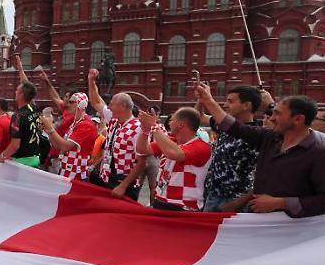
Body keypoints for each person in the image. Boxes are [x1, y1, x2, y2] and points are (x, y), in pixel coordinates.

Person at [197, 84, 325, 218]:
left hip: (295, 232)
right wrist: (206, 99)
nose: (271, 118)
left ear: (298, 119)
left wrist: (281, 203)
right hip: (258, 222)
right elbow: (234, 127)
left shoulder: (318, 152)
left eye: (278, 114)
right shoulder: (269, 138)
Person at [197, 86, 262, 212]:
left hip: (238, 200)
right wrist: (201, 100)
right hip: (213, 195)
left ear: (247, 105)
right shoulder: (224, 126)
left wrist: (238, 202)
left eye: (230, 101)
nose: (225, 105)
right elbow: (199, 116)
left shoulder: (258, 134)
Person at [137, 107, 212, 212]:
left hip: (183, 207)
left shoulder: (202, 147)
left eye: (172, 120)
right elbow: (142, 149)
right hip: (161, 201)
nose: (169, 124)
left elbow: (175, 154)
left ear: (181, 124)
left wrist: (154, 126)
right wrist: (145, 130)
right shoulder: (171, 141)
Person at [88, 69, 146, 200]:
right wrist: (91, 81)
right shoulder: (114, 121)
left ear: (123, 106)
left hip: (124, 183)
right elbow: (96, 102)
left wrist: (123, 186)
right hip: (107, 177)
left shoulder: (137, 129)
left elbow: (142, 162)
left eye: (112, 104)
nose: (109, 107)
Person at [40, 92, 97, 181]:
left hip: (76, 174)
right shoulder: (75, 123)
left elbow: (65, 146)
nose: (67, 105)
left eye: (71, 102)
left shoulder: (86, 125)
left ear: (81, 105)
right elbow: (58, 146)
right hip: (67, 170)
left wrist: (51, 129)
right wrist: (48, 130)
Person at [0, 80, 40, 167]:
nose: (15, 92)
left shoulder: (17, 116)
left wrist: (3, 155)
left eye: (17, 90)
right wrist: (21, 69)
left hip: (22, 161)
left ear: (21, 95)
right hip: (35, 158)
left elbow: (15, 145)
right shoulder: (34, 109)